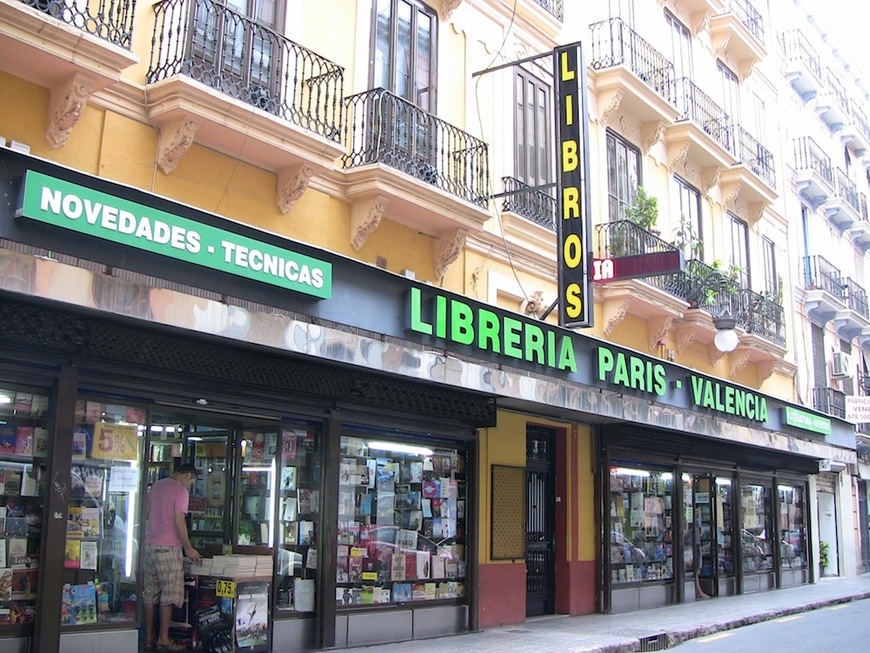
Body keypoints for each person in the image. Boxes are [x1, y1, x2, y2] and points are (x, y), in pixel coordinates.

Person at [143, 463, 202, 652]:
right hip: (168, 548)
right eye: (191, 483)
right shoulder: (180, 491)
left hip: (149, 546)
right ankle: (164, 639)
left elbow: (147, 514)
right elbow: (178, 521)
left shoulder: (156, 486)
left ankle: (149, 639)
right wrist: (188, 548)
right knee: (169, 596)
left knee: (150, 595)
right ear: (187, 476)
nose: (189, 487)